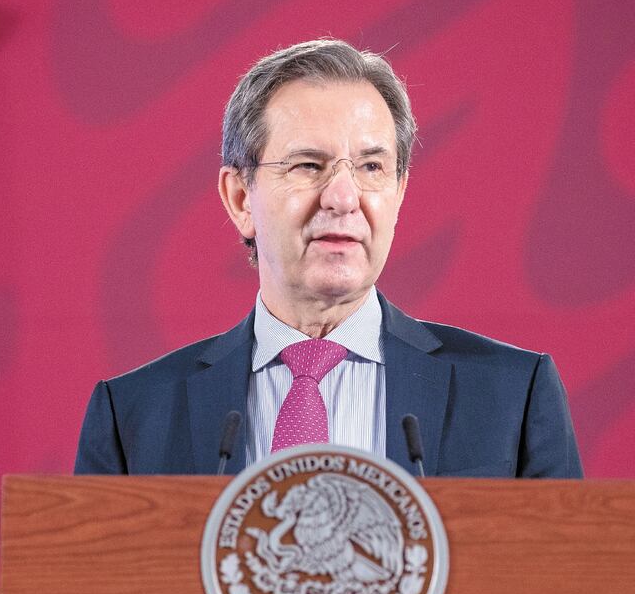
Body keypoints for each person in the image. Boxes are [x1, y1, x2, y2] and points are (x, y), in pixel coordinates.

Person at [74, 39, 583, 478]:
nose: (344, 196)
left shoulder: (513, 395)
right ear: (240, 198)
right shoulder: (133, 416)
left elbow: (565, 587)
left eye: (371, 166)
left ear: (400, 191)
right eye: (308, 164)